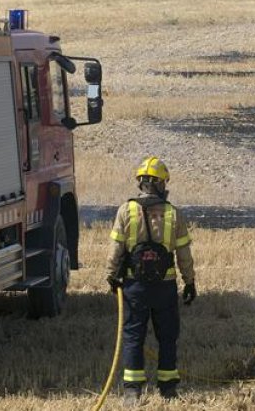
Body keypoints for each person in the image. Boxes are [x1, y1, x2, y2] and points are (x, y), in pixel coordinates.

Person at [106, 156, 196, 404]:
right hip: (164, 288)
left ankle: (132, 391)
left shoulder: (126, 210)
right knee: (167, 337)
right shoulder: (173, 214)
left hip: (134, 286)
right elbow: (184, 254)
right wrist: (189, 282)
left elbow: (116, 249)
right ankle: (167, 388)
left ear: (141, 183)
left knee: (134, 336)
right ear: (160, 184)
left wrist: (112, 276)